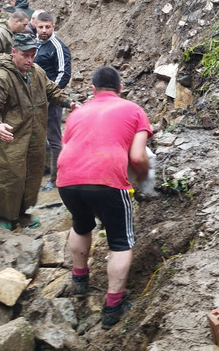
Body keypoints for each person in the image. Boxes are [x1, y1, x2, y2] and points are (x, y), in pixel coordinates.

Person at [55, 65, 152, 329]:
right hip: (107, 179)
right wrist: (143, 179)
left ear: (92, 90)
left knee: (81, 224)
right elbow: (137, 157)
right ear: (120, 89)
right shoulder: (134, 110)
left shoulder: (77, 113)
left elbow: (68, 147)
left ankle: (79, 282)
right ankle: (112, 308)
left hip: (67, 179)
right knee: (120, 242)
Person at [0, 32, 79, 230]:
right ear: (13, 52)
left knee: (30, 175)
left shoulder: (37, 72)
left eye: (33, 55)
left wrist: (70, 103)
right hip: (7, 139)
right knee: (6, 177)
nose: (30, 60)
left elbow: (51, 90)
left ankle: (20, 213)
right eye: (25, 55)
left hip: (32, 137)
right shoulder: (0, 78)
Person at [33, 11, 72, 190]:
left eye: (47, 27)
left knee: (54, 137)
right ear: (35, 26)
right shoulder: (37, 44)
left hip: (51, 100)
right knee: (38, 135)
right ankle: (44, 171)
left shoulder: (57, 46)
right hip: (35, 98)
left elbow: (64, 74)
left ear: (53, 27)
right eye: (41, 27)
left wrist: (51, 96)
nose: (44, 30)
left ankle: (57, 178)